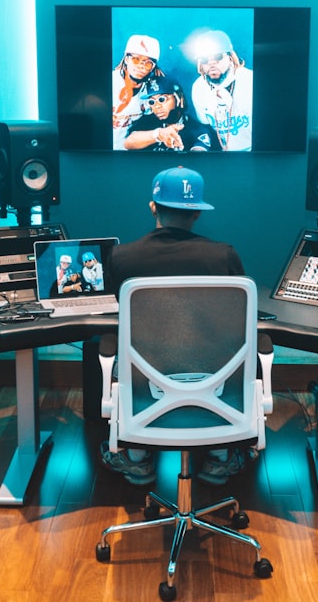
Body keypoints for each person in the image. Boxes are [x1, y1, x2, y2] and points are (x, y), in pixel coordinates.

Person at [100, 166, 252, 487]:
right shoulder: (223, 256)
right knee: (228, 354)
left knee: (129, 358)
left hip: (147, 376)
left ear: (153, 206)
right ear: (197, 212)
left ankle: (138, 459)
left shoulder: (120, 257)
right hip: (212, 376)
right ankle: (219, 458)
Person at [190, 29, 254, 152]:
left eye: (218, 56)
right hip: (222, 157)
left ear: (230, 58)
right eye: (204, 59)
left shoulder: (250, 81)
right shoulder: (198, 88)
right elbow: (205, 126)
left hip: (254, 154)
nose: (211, 63)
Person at [123, 75, 221, 152]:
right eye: (152, 102)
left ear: (179, 98)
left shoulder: (197, 129)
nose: (157, 106)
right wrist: (158, 134)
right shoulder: (148, 121)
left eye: (162, 99)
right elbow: (128, 143)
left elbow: (198, 160)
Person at [112, 34, 166, 149]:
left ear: (153, 67)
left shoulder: (152, 91)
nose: (141, 66)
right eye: (136, 59)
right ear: (126, 59)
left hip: (128, 153)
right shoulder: (110, 82)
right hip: (98, 152)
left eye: (148, 62)